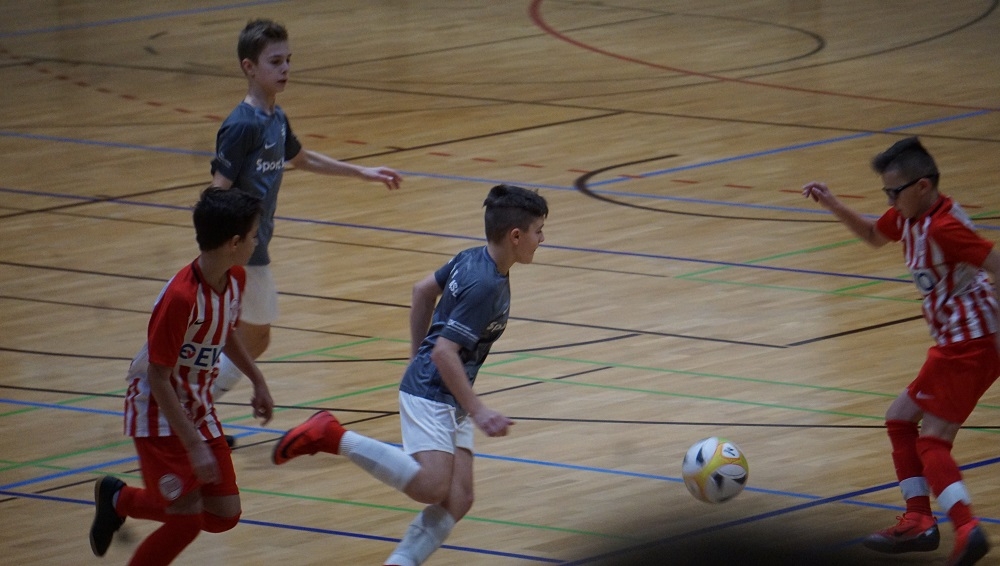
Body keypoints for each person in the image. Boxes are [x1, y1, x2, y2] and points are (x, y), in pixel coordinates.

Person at [271, 184, 548, 566]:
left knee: (459, 497)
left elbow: (421, 292)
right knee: (432, 487)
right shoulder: (484, 285)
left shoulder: (474, 258)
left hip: (447, 391)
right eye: (538, 231)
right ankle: (331, 435)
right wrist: (479, 410)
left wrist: (416, 357)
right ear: (516, 236)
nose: (542, 239)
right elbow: (443, 352)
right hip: (435, 390)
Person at [803, 136, 1000, 566]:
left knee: (933, 442)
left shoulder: (943, 227)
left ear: (923, 186)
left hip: (970, 344)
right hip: (957, 343)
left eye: (895, 192)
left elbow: (997, 266)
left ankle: (967, 528)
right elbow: (874, 235)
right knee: (899, 417)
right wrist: (833, 203)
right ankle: (918, 521)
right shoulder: (909, 217)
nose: (889, 201)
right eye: (886, 193)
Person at [209, 19, 403, 423]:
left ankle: (193, 407)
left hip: (254, 247)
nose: (285, 69)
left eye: (288, 60)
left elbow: (302, 158)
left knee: (245, 338)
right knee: (250, 337)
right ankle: (192, 408)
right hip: (241, 252)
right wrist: (225, 250)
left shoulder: (276, 119)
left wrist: (363, 172)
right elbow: (217, 192)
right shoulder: (242, 125)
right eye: (275, 61)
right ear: (249, 67)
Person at [89, 187, 276, 564]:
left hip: (196, 405)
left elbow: (225, 332)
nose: (258, 241)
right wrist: (194, 445)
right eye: (254, 235)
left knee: (223, 514)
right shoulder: (181, 298)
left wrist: (258, 380)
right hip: (157, 411)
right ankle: (129, 502)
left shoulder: (235, 278)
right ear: (234, 242)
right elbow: (158, 377)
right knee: (186, 522)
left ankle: (119, 498)